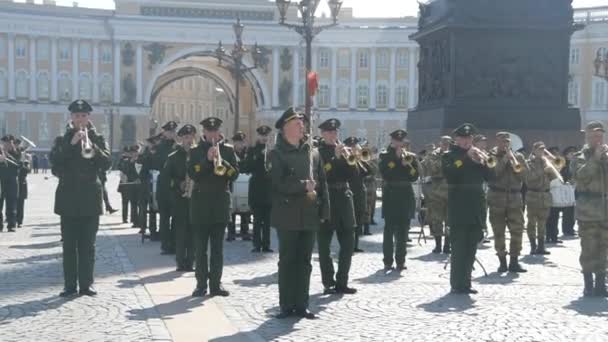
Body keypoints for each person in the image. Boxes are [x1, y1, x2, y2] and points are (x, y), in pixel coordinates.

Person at [271, 108, 329, 319]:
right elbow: (277, 183)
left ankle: (301, 304)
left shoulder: (312, 152)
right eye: (296, 123)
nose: (301, 126)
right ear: (285, 127)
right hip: (287, 214)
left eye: (301, 123)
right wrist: (302, 186)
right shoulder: (276, 153)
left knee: (305, 261)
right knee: (287, 261)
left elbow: (322, 182)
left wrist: (324, 210)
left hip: (309, 214)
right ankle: (286, 305)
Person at [50, 99, 111, 297]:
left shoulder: (98, 138)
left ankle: (87, 284)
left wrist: (93, 147)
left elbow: (107, 162)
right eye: (77, 116)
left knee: (88, 246)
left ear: (88, 117)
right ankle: (69, 285)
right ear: (72, 117)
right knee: (69, 246)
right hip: (68, 199)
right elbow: (55, 163)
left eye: (84, 116)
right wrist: (71, 143)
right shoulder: (62, 139)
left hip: (90, 199)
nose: (80, 119)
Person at [189, 117, 239, 298]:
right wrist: (206, 160)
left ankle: (216, 285)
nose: (212, 134)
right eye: (209, 131)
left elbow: (234, 174)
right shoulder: (195, 151)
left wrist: (222, 161)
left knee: (217, 249)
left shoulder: (228, 150)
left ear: (219, 132)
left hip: (220, 204)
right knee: (200, 249)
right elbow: (192, 173)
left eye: (215, 131)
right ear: (204, 132)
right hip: (200, 205)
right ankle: (201, 284)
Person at [442, 123, 493, 294]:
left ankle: (467, 283)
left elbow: (490, 177)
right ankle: (456, 283)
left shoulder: (479, 156)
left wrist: (484, 162)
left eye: (469, 138)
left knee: (471, 247)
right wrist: (465, 158)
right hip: (458, 207)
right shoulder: (449, 156)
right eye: (463, 138)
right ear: (456, 139)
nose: (466, 141)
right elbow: (450, 175)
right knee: (458, 247)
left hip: (476, 207)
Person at [317, 119, 358, 295]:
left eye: (335, 132)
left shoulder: (345, 151)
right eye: (330, 132)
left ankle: (342, 282)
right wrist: (335, 158)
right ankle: (328, 282)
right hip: (327, 200)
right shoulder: (317, 153)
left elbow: (354, 176)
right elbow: (322, 174)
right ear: (323, 134)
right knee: (324, 246)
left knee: (348, 244)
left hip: (344, 199)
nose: (334, 135)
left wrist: (351, 160)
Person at [570, 121, 608, 297]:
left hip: (605, 210)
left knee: (604, 248)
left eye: (600, 136)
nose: (598, 140)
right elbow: (580, 176)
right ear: (587, 137)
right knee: (588, 248)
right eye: (594, 137)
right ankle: (588, 284)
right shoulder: (579, 157)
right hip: (587, 211)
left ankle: (601, 283)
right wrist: (595, 159)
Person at [379, 129, 420, 271]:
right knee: (389, 230)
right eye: (396, 140)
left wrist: (406, 166)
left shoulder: (411, 157)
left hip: (405, 195)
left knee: (403, 230)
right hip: (391, 194)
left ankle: (401, 260)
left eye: (401, 141)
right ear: (392, 141)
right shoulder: (385, 156)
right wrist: (396, 161)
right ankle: (387, 261)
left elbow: (415, 176)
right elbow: (385, 174)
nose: (398, 143)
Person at [487, 132, 529, 273]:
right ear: (496, 142)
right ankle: (502, 261)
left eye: (507, 142)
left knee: (517, 230)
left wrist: (514, 163)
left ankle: (514, 261)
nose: (505, 144)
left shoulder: (518, 157)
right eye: (502, 142)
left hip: (515, 198)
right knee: (498, 232)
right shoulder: (490, 157)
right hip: (496, 197)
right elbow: (492, 174)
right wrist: (504, 160)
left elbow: (525, 176)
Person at [166, 124, 197, 272]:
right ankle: (180, 261)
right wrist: (179, 183)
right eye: (186, 138)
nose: (189, 140)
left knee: (193, 231)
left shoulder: (198, 155)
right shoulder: (173, 157)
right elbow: (166, 178)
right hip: (179, 198)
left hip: (196, 198)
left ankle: (190, 261)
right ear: (181, 139)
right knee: (180, 232)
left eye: (191, 137)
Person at [525, 142, 558, 255]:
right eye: (539, 149)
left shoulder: (546, 162)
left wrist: (553, 168)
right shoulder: (529, 163)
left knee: (542, 223)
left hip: (545, 196)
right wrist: (543, 170)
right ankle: (533, 246)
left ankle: (541, 246)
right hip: (533, 195)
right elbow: (529, 178)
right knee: (532, 223)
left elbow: (554, 178)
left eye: (543, 150)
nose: (542, 152)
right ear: (534, 150)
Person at [246, 125, 274, 253]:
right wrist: (257, 156)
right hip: (256, 189)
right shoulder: (252, 150)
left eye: (266, 135)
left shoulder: (273, 151)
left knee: (267, 221)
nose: (264, 138)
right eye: (262, 135)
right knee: (257, 220)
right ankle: (256, 244)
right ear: (258, 136)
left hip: (269, 189)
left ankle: (266, 244)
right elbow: (247, 167)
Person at [421, 136, 451, 254]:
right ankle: (438, 245)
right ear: (440, 143)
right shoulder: (433, 155)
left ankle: (447, 245)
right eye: (444, 143)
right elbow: (433, 168)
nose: (446, 145)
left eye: (448, 143)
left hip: (451, 192)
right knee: (436, 219)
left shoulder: (454, 154)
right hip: (436, 192)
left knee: (450, 221)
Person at [344, 136, 372, 253]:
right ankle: (348, 245)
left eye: (355, 146)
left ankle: (355, 245)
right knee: (349, 221)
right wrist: (350, 156)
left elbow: (369, 171)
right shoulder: (345, 158)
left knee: (359, 218)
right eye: (351, 146)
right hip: (348, 192)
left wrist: (361, 157)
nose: (353, 148)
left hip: (360, 192)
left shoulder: (359, 160)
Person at [546, 146, 577, 242]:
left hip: (561, 192)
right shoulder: (547, 165)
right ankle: (548, 236)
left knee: (556, 216)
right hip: (551, 192)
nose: (555, 156)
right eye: (553, 153)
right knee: (551, 216)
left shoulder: (561, 163)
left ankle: (554, 236)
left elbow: (563, 172)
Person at [157, 121, 178, 255]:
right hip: (164, 186)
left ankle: (175, 243)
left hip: (175, 186)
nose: (172, 134)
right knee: (164, 218)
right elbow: (160, 164)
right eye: (169, 132)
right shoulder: (160, 147)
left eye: (173, 131)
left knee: (176, 217)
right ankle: (165, 245)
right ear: (164, 132)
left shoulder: (178, 146)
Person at [228, 131, 251, 241]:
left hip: (245, 185)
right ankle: (231, 232)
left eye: (242, 142)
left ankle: (244, 231)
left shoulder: (247, 154)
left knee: (245, 209)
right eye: (238, 142)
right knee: (232, 209)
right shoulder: (230, 154)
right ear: (234, 143)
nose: (241, 145)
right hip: (232, 184)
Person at [0, 135, 21, 232]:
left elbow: (19, 165)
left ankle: (11, 224)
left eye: (9, 143)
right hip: (1, 180)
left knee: (11, 203)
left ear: (12, 143)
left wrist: (7, 156)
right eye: (5, 143)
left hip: (12, 180)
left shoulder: (17, 152)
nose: (7, 145)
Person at [118, 146, 140, 226]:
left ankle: (136, 220)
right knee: (128, 202)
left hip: (138, 185)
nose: (134, 154)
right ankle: (128, 219)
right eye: (132, 153)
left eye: (135, 152)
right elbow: (125, 171)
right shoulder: (126, 161)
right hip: (128, 185)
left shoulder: (140, 161)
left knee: (136, 204)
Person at [362, 144, 378, 235]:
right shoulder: (359, 162)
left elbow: (375, 171)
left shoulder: (371, 163)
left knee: (369, 207)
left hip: (370, 188)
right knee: (362, 208)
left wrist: (370, 161)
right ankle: (361, 228)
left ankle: (367, 228)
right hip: (362, 187)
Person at [16, 141, 31, 228]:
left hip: (22, 182)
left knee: (20, 203)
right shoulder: (14, 156)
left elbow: (27, 170)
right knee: (12, 202)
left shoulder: (25, 159)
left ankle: (19, 221)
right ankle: (12, 219)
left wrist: (24, 161)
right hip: (13, 182)